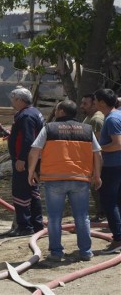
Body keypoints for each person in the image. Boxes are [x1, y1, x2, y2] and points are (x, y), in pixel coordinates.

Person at [27, 100, 102, 262]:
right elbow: (98, 154)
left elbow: (34, 151)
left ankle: (56, 253)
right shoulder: (87, 129)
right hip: (80, 178)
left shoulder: (49, 128)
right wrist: (97, 175)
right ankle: (86, 252)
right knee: (82, 217)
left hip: (54, 179)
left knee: (54, 218)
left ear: (60, 111)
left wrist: (31, 172)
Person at [7, 87, 45, 236]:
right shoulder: (34, 112)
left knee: (21, 192)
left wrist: (21, 158)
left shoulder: (26, 116)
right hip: (33, 159)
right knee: (32, 191)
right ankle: (37, 225)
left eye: (13, 99)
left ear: (20, 100)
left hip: (26, 160)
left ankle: (25, 226)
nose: (12, 102)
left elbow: (29, 139)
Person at [93, 88, 121, 253]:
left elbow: (117, 144)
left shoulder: (111, 120)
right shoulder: (117, 115)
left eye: (96, 100)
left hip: (113, 167)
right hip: (117, 166)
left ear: (102, 103)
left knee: (109, 203)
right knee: (117, 201)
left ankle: (118, 239)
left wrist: (97, 148)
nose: (94, 103)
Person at [81, 93, 106, 221]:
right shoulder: (89, 117)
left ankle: (102, 213)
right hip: (90, 159)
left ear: (94, 105)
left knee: (97, 186)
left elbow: (98, 145)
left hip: (97, 160)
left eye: (85, 104)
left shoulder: (96, 119)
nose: (82, 106)